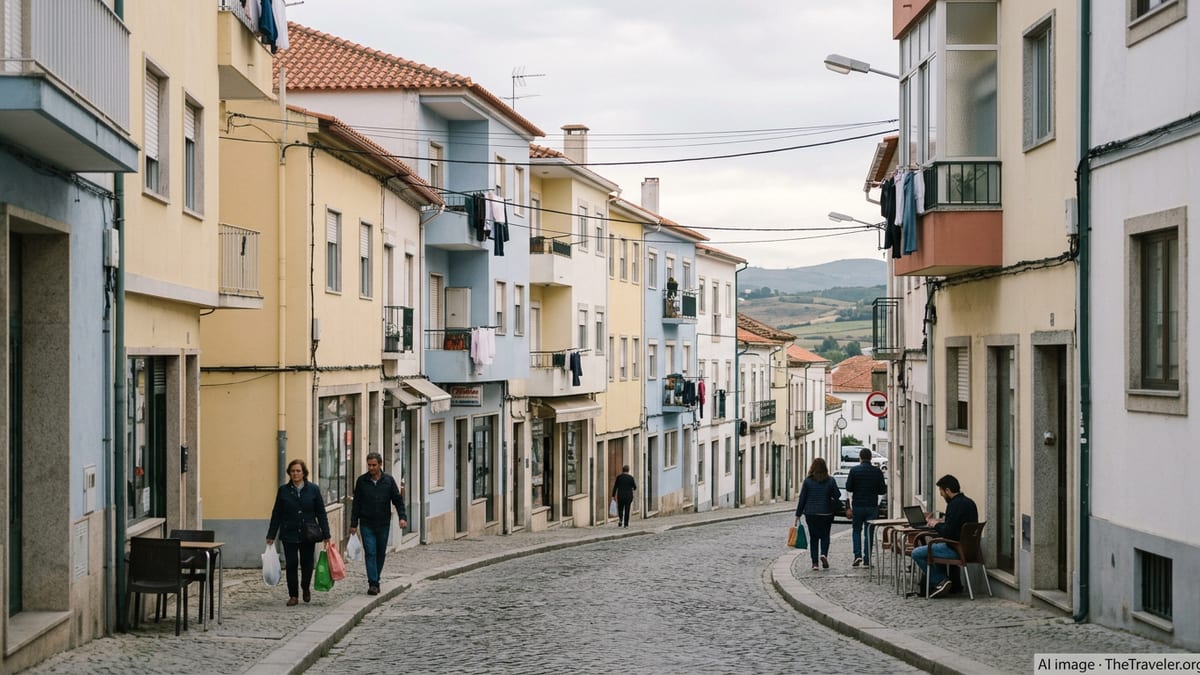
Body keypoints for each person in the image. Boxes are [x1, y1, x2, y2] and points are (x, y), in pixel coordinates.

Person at [266, 458, 330, 606]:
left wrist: (326, 534)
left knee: (307, 563)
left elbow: (321, 513)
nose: (295, 474)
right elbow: (277, 514)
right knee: (292, 564)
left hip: (308, 533)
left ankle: (305, 587)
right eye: (293, 471)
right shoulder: (283, 490)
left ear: (304, 473)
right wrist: (271, 534)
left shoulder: (313, 489)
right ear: (289, 473)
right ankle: (293, 595)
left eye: (298, 471)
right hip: (289, 532)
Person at [349, 452, 408, 595]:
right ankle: (373, 583)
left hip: (383, 523)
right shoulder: (362, 481)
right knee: (370, 552)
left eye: (374, 465)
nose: (371, 468)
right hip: (366, 523)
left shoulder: (388, 481)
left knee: (380, 552)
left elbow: (397, 500)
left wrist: (402, 517)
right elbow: (356, 503)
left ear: (380, 464)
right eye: (369, 465)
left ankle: (376, 577)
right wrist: (353, 523)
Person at [911, 474, 979, 598]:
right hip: (971, 550)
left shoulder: (954, 505)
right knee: (936, 546)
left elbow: (947, 533)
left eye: (941, 492)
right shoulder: (970, 503)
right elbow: (958, 525)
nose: (941, 495)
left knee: (917, 553)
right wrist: (943, 522)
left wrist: (935, 524)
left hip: (956, 549)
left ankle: (940, 580)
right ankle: (948, 583)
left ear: (947, 490)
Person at [794, 457, 840, 570]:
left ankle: (814, 563)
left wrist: (798, 514)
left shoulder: (808, 481)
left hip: (811, 513)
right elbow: (837, 495)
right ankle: (823, 554)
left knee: (814, 538)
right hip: (826, 513)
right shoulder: (830, 480)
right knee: (825, 535)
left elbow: (802, 499)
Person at [845, 446, 887, 567]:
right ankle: (867, 559)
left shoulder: (854, 471)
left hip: (858, 505)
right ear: (871, 458)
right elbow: (882, 490)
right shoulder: (877, 471)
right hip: (872, 506)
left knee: (856, 531)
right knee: (869, 533)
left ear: (860, 458)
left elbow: (848, 487)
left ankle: (857, 556)